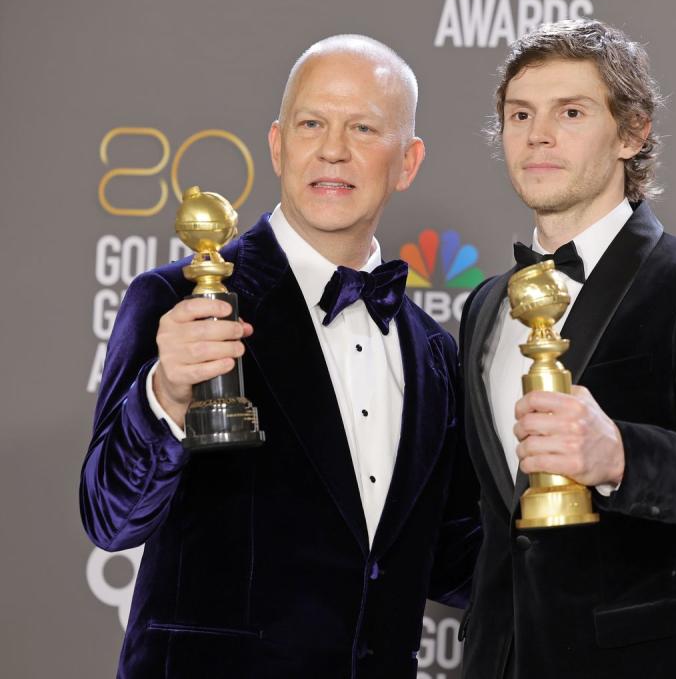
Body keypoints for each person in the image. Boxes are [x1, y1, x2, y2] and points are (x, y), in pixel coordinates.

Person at [80, 35, 479, 678]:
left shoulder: (432, 351)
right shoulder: (177, 299)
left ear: (407, 162)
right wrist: (166, 395)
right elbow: (111, 517)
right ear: (277, 144)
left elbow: (455, 559)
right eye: (312, 123)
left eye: (364, 127)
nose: (333, 149)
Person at [458, 19, 676, 679]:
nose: (538, 135)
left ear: (632, 133)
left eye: (570, 112)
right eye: (520, 114)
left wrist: (618, 454)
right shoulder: (486, 303)